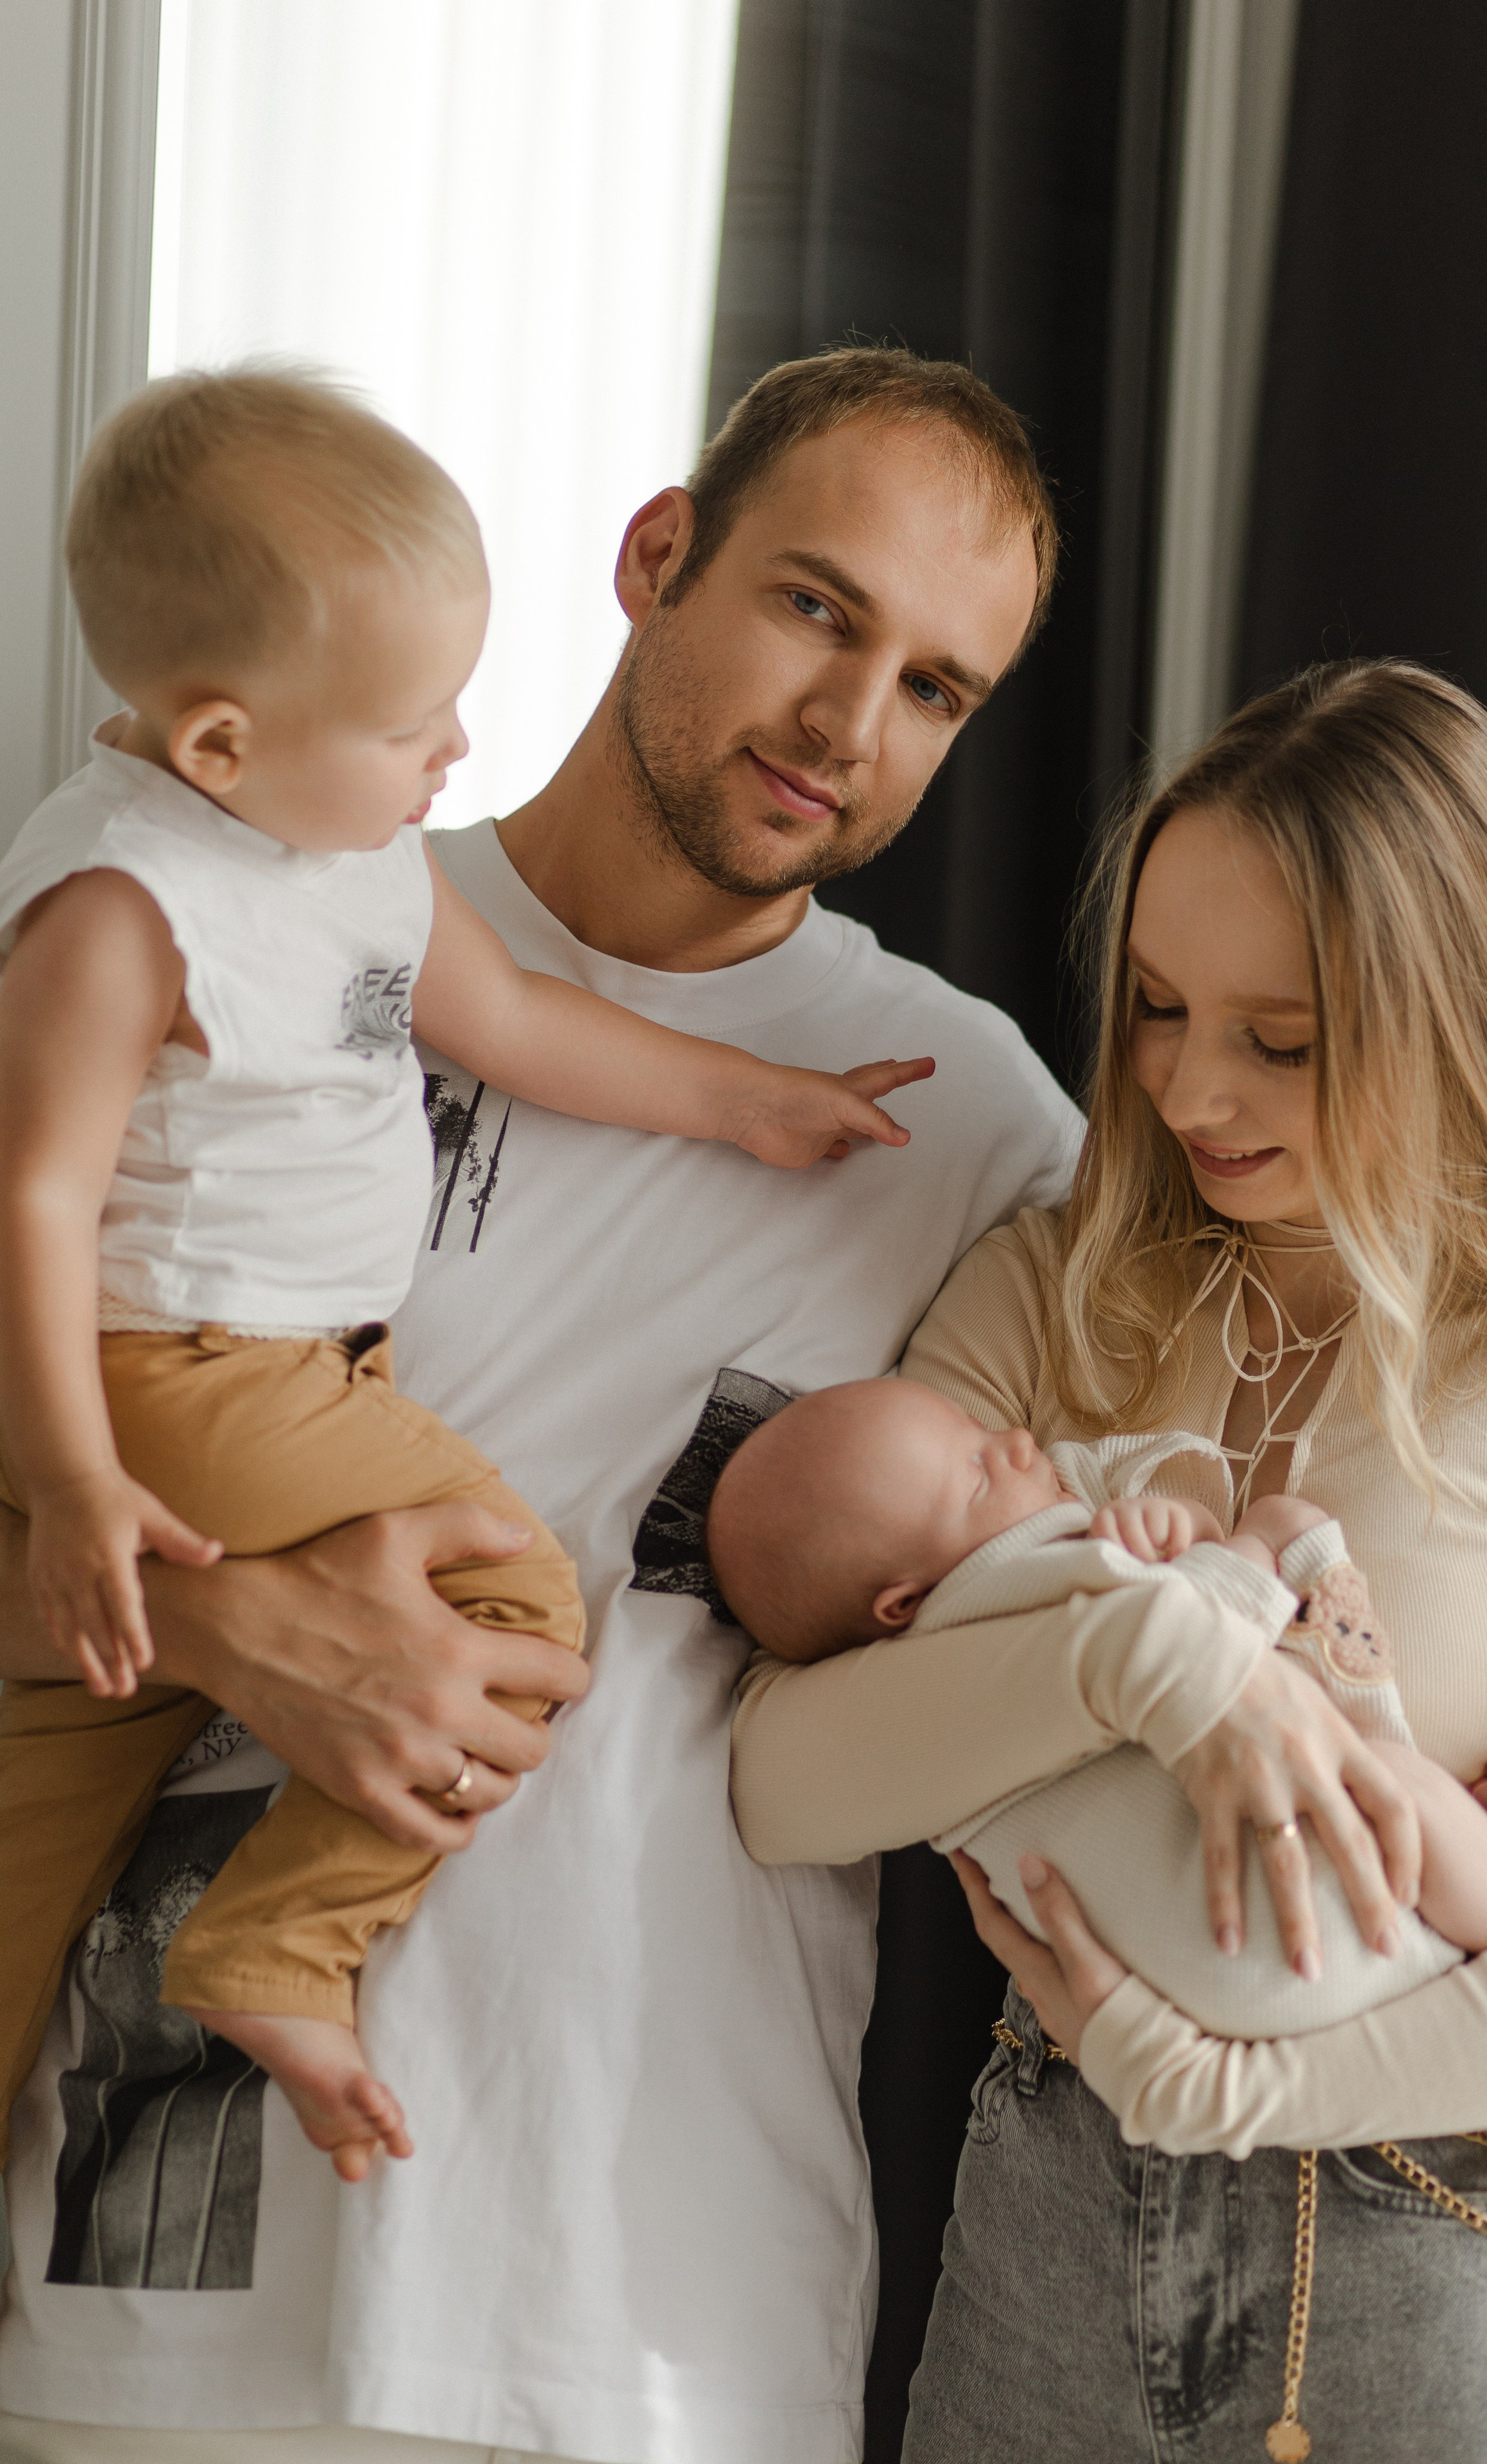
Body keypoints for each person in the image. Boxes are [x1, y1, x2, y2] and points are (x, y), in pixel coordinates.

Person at [0, 343, 1123, 2464]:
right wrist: (238, 1621)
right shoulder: (217, 909)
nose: (850, 724)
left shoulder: (975, 1132)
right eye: (817, 606)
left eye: (936, 688)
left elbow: (1101, 1599)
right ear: (661, 553)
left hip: (647, 2312)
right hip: (150, 2266)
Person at [730, 658, 1487, 2460]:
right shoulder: (1053, 1292)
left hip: (1449, 2251)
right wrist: (1143, 1666)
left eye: (1280, 1040)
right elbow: (783, 1777)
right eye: (1155, 1008)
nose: (1192, 1091)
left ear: (1447, 1015)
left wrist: (1226, 2090)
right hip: (1051, 2239)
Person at [710, 1376, 1487, 2201]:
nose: (1019, 1444)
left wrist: (1209, 2091)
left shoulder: (930, 1700)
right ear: (902, 1604)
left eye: (979, 1430)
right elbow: (1199, 1617)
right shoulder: (1011, 1584)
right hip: (1291, 1932)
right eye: (981, 1473)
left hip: (1191, 2009)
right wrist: (1256, 1539)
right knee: (1399, 1787)